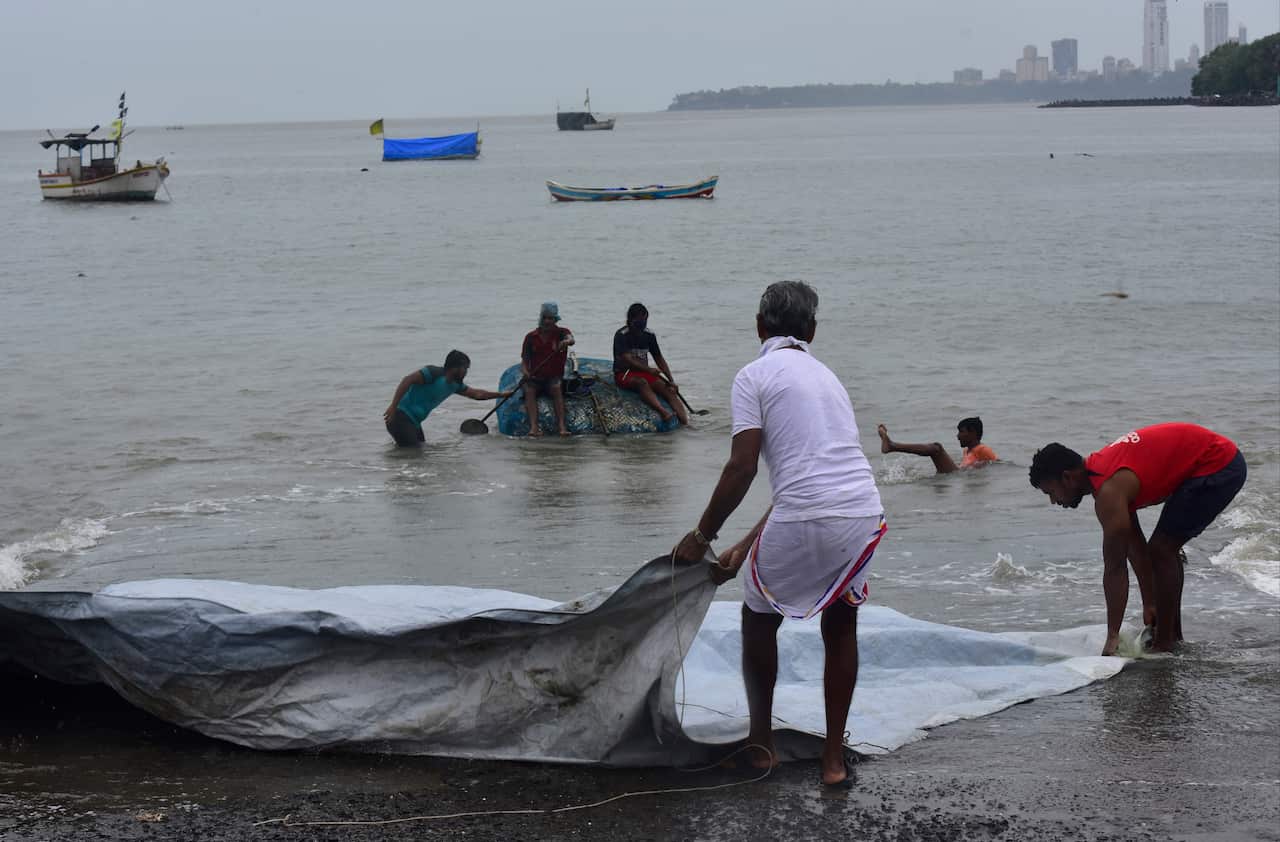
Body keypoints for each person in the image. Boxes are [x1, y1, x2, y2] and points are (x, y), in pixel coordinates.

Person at [673, 281, 885, 788]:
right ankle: (833, 763)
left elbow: (743, 467)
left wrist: (701, 537)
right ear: (811, 331)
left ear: (759, 326)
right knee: (841, 626)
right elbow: (808, 480)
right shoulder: (829, 378)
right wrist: (745, 546)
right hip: (863, 513)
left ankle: (761, 746)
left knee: (758, 620)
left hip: (813, 510)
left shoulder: (754, 376)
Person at [1029, 423, 1246, 655]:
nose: (1053, 501)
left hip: (1218, 463)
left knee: (1162, 550)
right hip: (1210, 461)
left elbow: (1115, 568)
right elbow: (1135, 547)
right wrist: (1149, 602)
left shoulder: (1109, 493)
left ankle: (1165, 644)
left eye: (1050, 492)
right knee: (1162, 550)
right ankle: (1171, 637)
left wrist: (1112, 635)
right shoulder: (1103, 476)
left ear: (1067, 477)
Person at [383, 350, 509, 446]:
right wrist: (393, 407)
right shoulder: (433, 373)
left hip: (414, 423)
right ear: (456, 367)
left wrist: (502, 395)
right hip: (400, 417)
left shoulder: (455, 385)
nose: (466, 372)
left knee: (418, 454)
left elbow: (477, 394)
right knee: (414, 455)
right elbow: (407, 380)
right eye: (465, 368)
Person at [612, 303, 688, 426]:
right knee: (642, 382)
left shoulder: (649, 335)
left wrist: (671, 380)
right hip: (624, 373)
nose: (642, 323)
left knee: (668, 390)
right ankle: (662, 412)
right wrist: (648, 369)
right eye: (639, 320)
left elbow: (659, 358)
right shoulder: (621, 335)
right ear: (630, 320)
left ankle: (685, 423)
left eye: (644, 320)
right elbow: (627, 359)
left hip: (645, 372)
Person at [521, 302, 575, 437]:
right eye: (545, 318)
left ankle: (561, 427)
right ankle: (534, 427)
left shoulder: (562, 333)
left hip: (553, 377)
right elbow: (524, 361)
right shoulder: (530, 337)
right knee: (529, 390)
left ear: (555, 319)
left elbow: (571, 339)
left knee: (556, 388)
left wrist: (566, 342)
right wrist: (526, 373)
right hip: (536, 378)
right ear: (541, 318)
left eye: (550, 318)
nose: (547, 321)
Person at [876, 417, 996, 474]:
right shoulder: (967, 451)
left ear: (973, 433)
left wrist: (980, 466)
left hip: (956, 475)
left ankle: (892, 446)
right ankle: (891, 445)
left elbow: (997, 466)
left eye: (961, 432)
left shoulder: (983, 449)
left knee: (936, 448)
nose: (958, 436)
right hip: (956, 475)